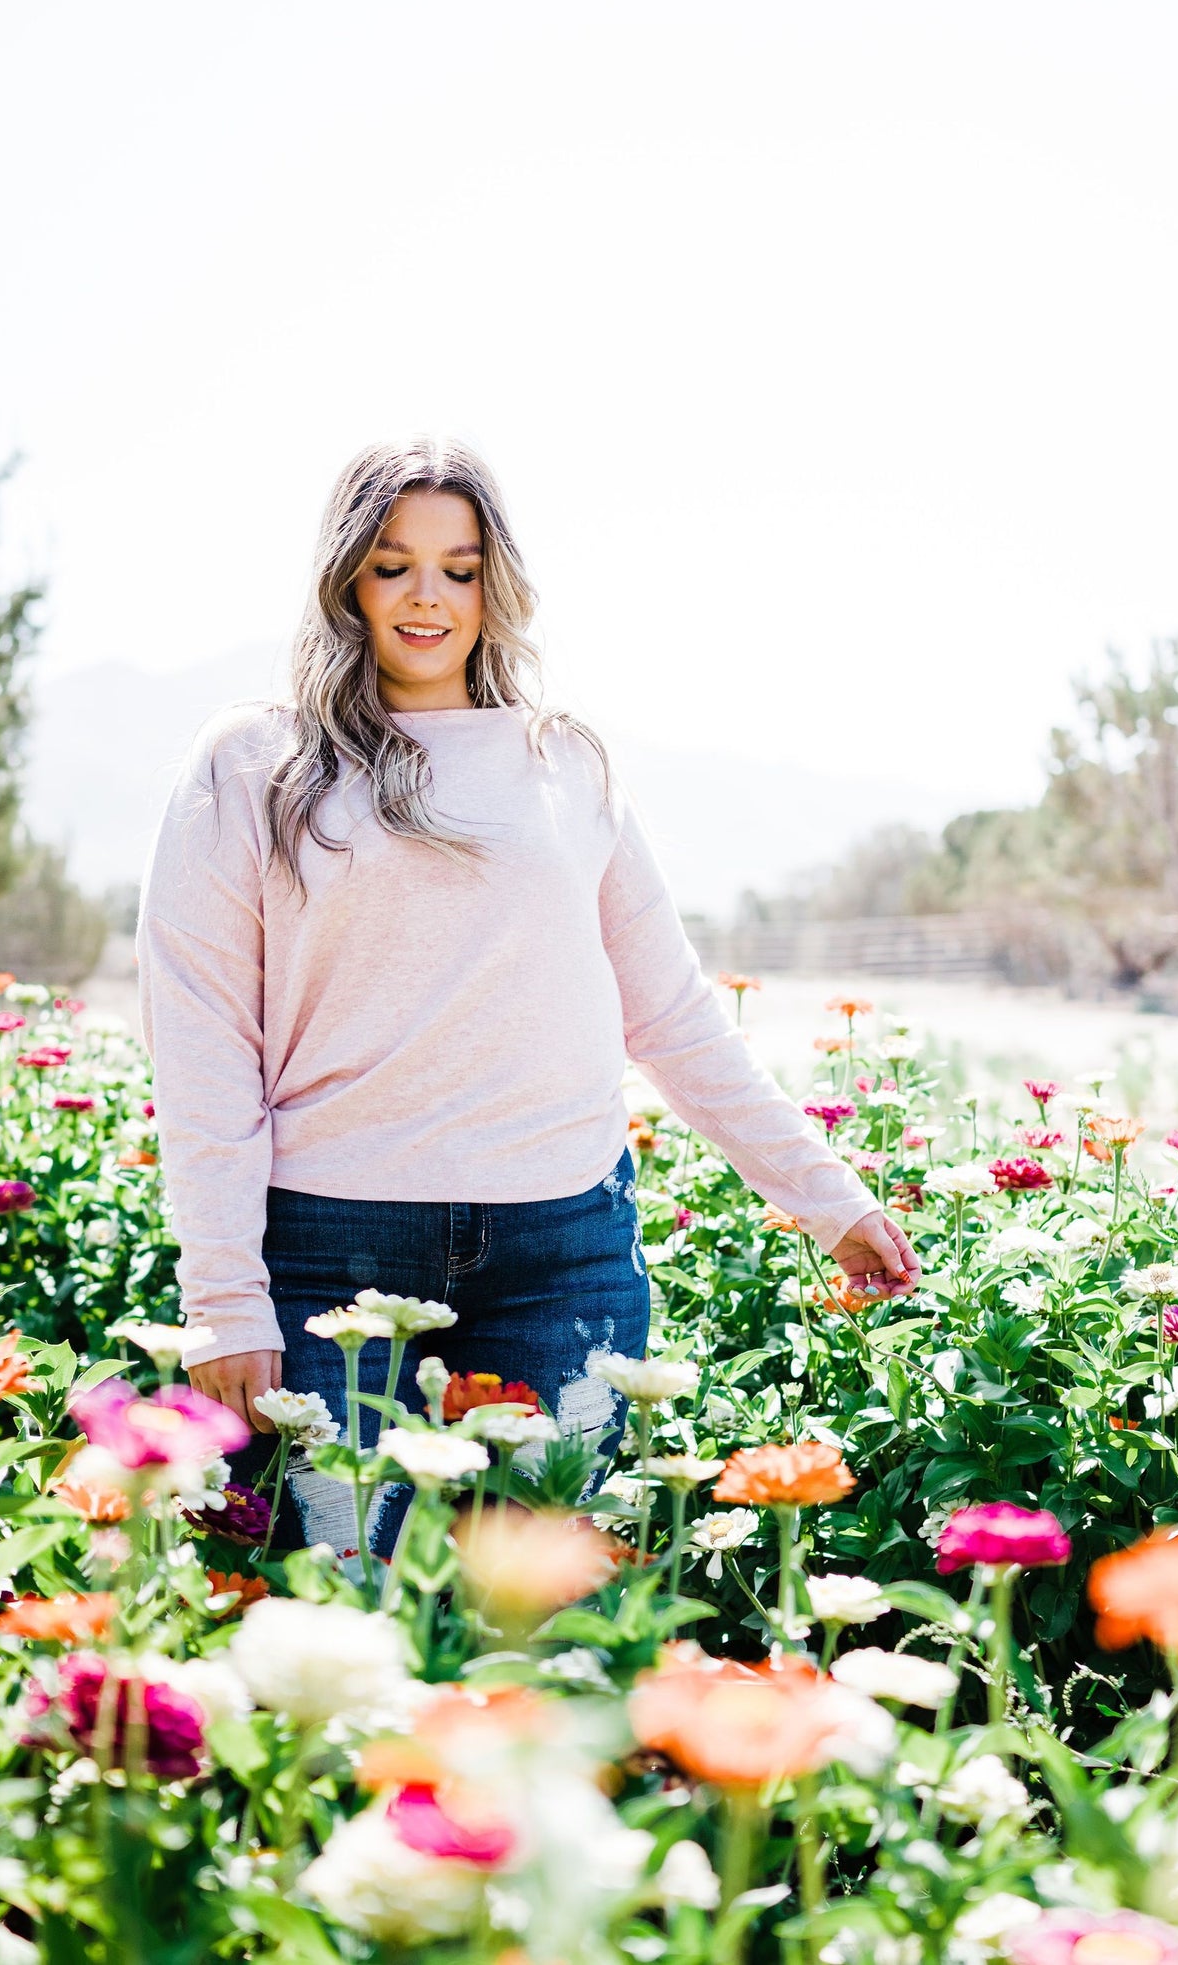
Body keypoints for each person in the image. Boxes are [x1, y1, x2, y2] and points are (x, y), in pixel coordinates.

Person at [137, 438, 919, 1552]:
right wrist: (222, 1294)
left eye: (458, 568)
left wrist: (826, 1197)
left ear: (492, 584)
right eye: (392, 562)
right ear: (344, 575)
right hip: (328, 1259)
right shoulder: (257, 761)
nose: (426, 597)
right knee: (342, 1617)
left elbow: (671, 1013)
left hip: (563, 1251)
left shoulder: (566, 765)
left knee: (538, 1628)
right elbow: (201, 1028)